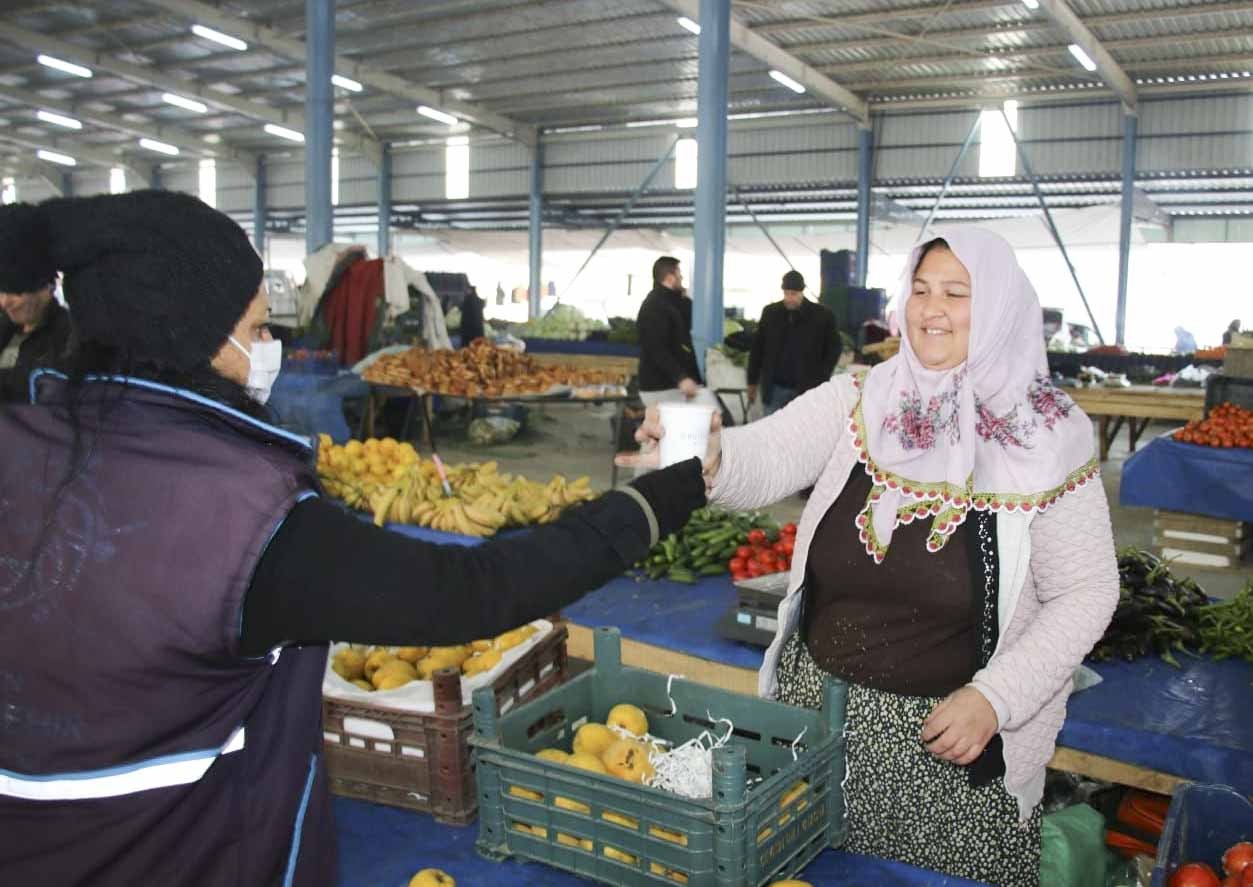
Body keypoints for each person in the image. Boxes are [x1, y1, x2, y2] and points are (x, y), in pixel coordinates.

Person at [0, 190, 707, 885]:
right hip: (182, 851)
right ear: (195, 337)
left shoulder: (19, 440)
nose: (270, 346)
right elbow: (471, 590)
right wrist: (655, 500)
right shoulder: (246, 517)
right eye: (256, 329)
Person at [622, 229, 1119, 886]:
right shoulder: (862, 397)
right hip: (813, 729)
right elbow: (768, 455)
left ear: (997, 306)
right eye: (917, 289)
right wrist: (709, 454)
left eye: (954, 292)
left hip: (947, 756)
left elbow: (1086, 589)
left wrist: (995, 698)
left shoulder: (1044, 434)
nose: (928, 308)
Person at [0, 203, 74, 402]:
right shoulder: (5, 329)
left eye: (15, 290)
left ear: (45, 287)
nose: (5, 302)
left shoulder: (68, 340)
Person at [747, 269, 840, 415]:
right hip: (775, 388)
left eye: (794, 294)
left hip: (806, 389)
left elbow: (834, 349)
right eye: (786, 293)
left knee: (803, 432)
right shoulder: (770, 313)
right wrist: (752, 381)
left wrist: (822, 377)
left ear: (802, 292)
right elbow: (757, 348)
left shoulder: (822, 316)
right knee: (772, 431)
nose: (789, 298)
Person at [636, 255, 717, 408]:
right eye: (679, 273)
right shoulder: (654, 306)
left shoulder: (672, 302)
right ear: (669, 277)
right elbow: (656, 348)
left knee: (710, 418)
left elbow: (687, 313)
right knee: (706, 420)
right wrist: (680, 378)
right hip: (662, 387)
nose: (682, 277)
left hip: (676, 386)